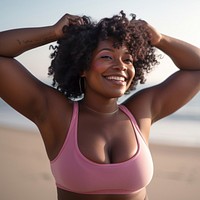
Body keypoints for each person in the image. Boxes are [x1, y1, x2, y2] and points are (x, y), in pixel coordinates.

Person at [0, 11, 199, 200]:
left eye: (128, 59)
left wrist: (160, 39)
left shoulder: (140, 113)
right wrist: (52, 32)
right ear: (82, 67)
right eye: (106, 56)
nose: (120, 65)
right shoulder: (57, 115)